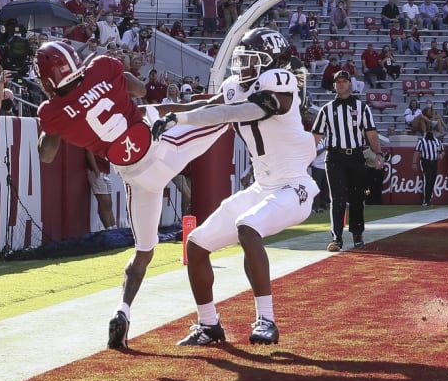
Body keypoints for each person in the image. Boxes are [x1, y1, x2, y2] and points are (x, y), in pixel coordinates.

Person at [34, 41, 230, 349]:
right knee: (223, 116)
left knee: (143, 253)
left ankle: (122, 311)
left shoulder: (52, 113)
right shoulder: (102, 66)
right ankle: (253, 97)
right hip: (161, 149)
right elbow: (139, 90)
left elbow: (46, 155)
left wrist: (52, 123)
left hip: (136, 178)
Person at [152, 27, 319, 346]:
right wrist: (161, 112)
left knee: (247, 226)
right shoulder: (236, 86)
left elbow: (247, 111)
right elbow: (207, 107)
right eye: (241, 59)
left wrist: (181, 121)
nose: (242, 66)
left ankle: (266, 320)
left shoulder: (280, 84)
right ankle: (209, 325)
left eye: (251, 60)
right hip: (264, 186)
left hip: (293, 187)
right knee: (197, 244)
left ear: (272, 63)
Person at [312, 70, 382, 251]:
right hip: (335, 156)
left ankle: (357, 236)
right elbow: (316, 136)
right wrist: (303, 156)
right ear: (334, 85)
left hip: (356, 156)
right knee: (337, 198)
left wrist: (379, 153)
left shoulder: (362, 107)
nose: (341, 84)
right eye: (338, 82)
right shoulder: (326, 109)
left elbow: (371, 133)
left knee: (357, 197)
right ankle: (337, 238)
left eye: (344, 81)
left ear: (350, 84)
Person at [85, 150, 116, 230]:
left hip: (105, 171)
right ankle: (108, 229)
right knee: (104, 201)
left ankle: (114, 228)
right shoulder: (93, 139)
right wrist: (96, 170)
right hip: (97, 172)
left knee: (109, 203)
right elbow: (89, 152)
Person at [412, 130, 444, 207]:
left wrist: (441, 155)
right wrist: (414, 163)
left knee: (433, 179)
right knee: (427, 179)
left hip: (434, 162)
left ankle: (429, 199)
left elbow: (442, 151)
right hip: (425, 161)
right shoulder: (421, 141)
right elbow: (417, 152)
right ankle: (425, 200)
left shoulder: (437, 141)